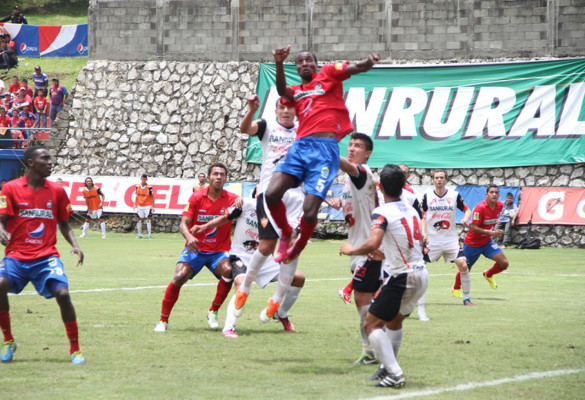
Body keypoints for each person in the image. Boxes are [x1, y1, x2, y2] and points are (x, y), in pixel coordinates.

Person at [264, 46, 380, 270]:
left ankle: (299, 245)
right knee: (271, 194)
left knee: (309, 211)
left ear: (316, 64)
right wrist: (279, 62)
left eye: (308, 60)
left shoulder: (328, 74)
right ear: (296, 68)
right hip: (300, 148)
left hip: (325, 151)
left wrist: (367, 62)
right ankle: (286, 234)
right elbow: (281, 90)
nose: (304, 64)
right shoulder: (296, 91)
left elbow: (354, 68)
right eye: (299, 62)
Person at [340, 164, 428, 388]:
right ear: (403, 185)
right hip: (421, 274)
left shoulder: (383, 212)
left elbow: (372, 242)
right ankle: (386, 368)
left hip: (403, 276)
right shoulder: (412, 209)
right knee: (395, 322)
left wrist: (350, 249)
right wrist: (385, 253)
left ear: (379, 186)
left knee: (371, 325)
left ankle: (395, 373)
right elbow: (406, 241)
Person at [0, 145, 85, 364]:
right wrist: (1, 230)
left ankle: (75, 349)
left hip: (46, 256)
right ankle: (8, 340)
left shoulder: (57, 191)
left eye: (50, 158)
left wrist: (75, 245)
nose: (50, 162)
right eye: (45, 158)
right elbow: (1, 219)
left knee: (63, 294)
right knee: (0, 284)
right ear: (31, 163)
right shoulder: (9, 188)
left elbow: (64, 223)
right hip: (17, 255)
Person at [231, 94, 304, 324]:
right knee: (268, 245)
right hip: (269, 193)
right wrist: (251, 110)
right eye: (282, 107)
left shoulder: (304, 129)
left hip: (296, 195)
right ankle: (245, 286)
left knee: (292, 247)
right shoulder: (267, 125)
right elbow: (245, 129)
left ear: (295, 111)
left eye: (290, 108)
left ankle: (277, 299)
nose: (286, 111)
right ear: (276, 110)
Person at [194, 197, 305, 338]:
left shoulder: (279, 212)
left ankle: (281, 313)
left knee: (298, 278)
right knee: (241, 285)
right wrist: (204, 227)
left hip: (266, 260)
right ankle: (228, 328)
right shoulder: (245, 204)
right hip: (241, 256)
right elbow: (225, 218)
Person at [153, 163, 241, 333]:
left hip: (219, 251)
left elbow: (252, 205)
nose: (218, 177)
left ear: (226, 179)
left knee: (229, 271)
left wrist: (241, 200)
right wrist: (189, 236)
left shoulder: (231, 199)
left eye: (222, 174)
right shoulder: (196, 197)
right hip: (196, 250)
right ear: (208, 177)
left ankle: (213, 311)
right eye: (215, 174)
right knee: (180, 275)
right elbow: (183, 224)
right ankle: (163, 320)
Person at [328, 133, 381, 364]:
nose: (351, 149)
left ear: (367, 154)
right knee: (369, 303)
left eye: (357, 146)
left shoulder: (362, 173)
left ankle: (371, 351)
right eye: (349, 145)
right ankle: (376, 348)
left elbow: (349, 167)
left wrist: (325, 147)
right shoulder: (349, 180)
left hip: (367, 251)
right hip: (360, 249)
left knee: (364, 302)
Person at [420, 170, 472, 307]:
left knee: (463, 265)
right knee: (418, 267)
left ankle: (466, 298)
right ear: (433, 180)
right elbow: (422, 216)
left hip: (450, 239)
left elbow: (467, 210)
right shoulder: (427, 195)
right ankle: (414, 298)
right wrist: (424, 233)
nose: (439, 180)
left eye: (441, 177)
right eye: (436, 178)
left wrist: (466, 219)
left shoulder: (454, 195)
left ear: (446, 180)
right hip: (433, 240)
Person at [457, 184, 509, 292]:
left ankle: (488, 274)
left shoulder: (499, 206)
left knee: (504, 263)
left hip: (486, 242)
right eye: (491, 192)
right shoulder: (480, 208)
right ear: (486, 194)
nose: (494, 194)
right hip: (472, 243)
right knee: (465, 269)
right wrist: (492, 232)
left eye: (496, 192)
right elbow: (474, 228)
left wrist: (492, 232)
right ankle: (456, 288)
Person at [133, 174, 154, 239]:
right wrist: (134, 204)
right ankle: (139, 234)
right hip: (140, 205)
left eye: (145, 179)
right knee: (139, 219)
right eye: (142, 179)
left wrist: (153, 206)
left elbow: (152, 196)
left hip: (147, 205)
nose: (143, 181)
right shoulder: (137, 186)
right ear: (141, 179)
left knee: (148, 219)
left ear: (146, 180)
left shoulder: (149, 187)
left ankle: (149, 235)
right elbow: (137, 196)